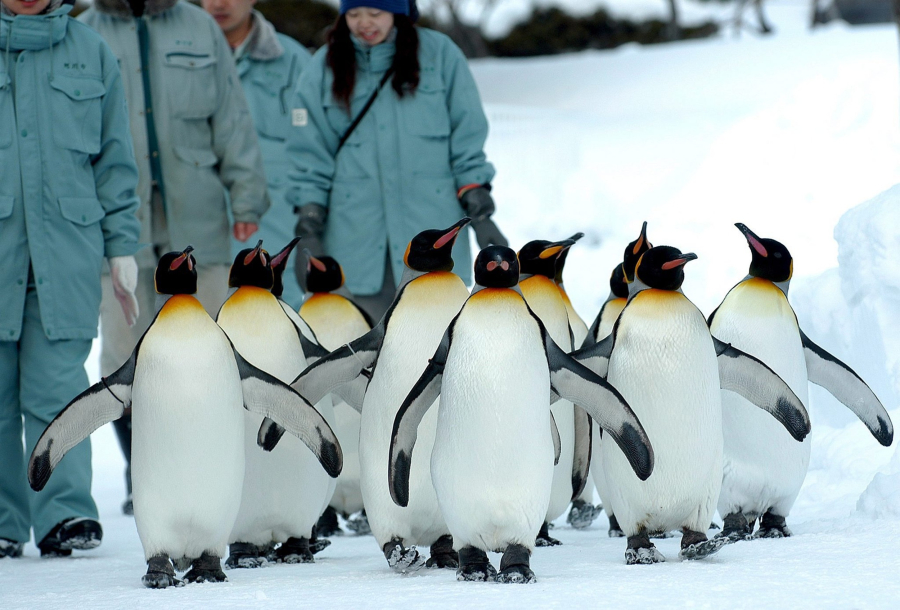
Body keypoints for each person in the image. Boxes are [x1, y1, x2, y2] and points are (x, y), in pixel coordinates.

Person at [80, 0, 270, 514]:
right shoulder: (84, 32)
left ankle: (211, 466)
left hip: (198, 223)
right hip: (118, 230)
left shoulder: (197, 26)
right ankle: (142, 474)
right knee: (123, 354)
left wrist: (246, 193)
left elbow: (230, 115)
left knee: (209, 352)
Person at [0, 0, 141, 558]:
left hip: (68, 251)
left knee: (59, 386)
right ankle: (3, 519)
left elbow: (114, 159)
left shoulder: (90, 51)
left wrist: (123, 244)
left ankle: (66, 513)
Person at [286, 0, 505, 321]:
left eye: (375, 13)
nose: (364, 23)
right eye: (354, 14)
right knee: (362, 359)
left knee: (438, 356)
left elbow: (467, 140)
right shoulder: (324, 67)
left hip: (433, 246)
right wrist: (308, 224)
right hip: (354, 244)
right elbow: (309, 153)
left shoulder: (440, 56)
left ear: (398, 11)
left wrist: (480, 210)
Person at [202, 0, 311, 310]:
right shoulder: (173, 58)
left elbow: (317, 147)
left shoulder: (293, 62)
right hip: (196, 235)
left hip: (273, 236)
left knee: (277, 345)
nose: (219, 4)